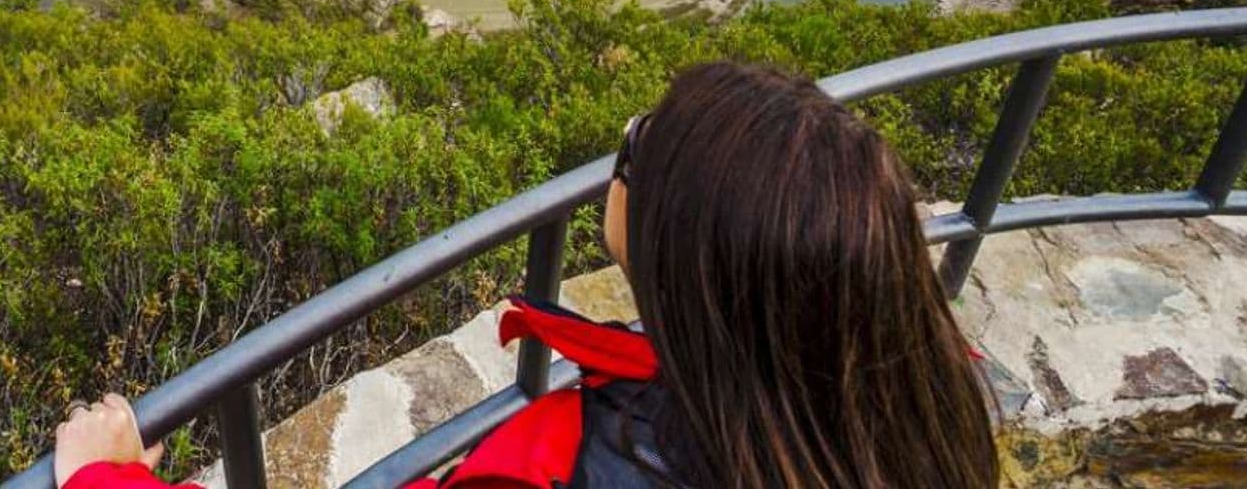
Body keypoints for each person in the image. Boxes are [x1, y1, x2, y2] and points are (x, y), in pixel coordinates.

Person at [52, 61, 998, 488]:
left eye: (637, 145)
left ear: (676, 250)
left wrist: (104, 479)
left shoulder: (569, 466)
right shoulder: (923, 399)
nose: (623, 151)